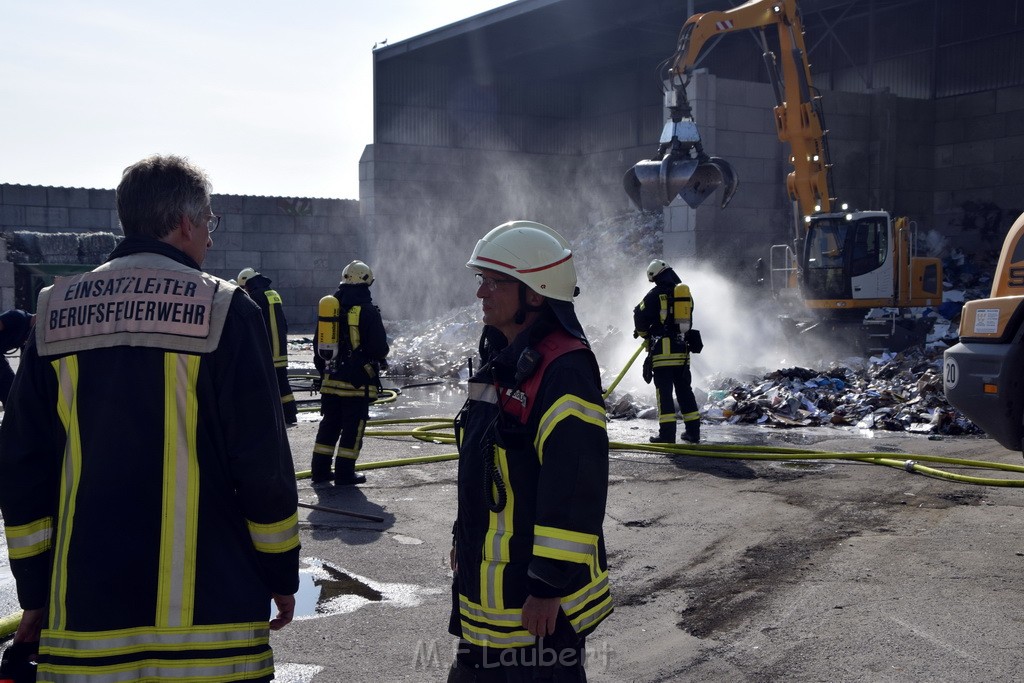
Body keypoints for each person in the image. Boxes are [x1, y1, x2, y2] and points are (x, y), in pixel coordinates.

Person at [0, 154, 300, 682]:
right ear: (184, 223)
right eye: (210, 221)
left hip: (86, 624)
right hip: (213, 631)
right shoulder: (226, 308)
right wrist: (280, 572)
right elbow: (262, 466)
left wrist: (35, 589)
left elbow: (23, 464)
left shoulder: (53, 310)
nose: (211, 236)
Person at [448, 220, 612, 680]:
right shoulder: (501, 357)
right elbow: (481, 458)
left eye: (493, 282)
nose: (481, 293)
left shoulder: (565, 369)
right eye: (480, 280)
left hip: (535, 610)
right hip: (492, 598)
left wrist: (547, 584)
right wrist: (463, 534)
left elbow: (576, 486)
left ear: (535, 295)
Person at [311, 259, 389, 486]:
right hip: (357, 382)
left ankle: (320, 471)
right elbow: (379, 348)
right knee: (353, 428)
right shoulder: (366, 311)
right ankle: (345, 473)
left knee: (329, 425)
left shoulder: (330, 308)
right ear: (366, 283)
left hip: (330, 379)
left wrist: (326, 372)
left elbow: (318, 347)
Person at [633, 259, 701, 444]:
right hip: (682, 353)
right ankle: (693, 433)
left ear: (656, 277)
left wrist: (645, 335)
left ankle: (667, 435)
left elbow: (639, 315)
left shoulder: (654, 294)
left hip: (662, 354)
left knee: (664, 394)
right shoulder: (685, 296)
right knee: (685, 392)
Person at [237, 267, 299, 425]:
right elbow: (282, 321)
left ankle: (271, 416)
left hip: (267, 347)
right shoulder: (272, 293)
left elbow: (255, 323)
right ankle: (290, 414)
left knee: (267, 382)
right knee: (282, 382)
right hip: (280, 345)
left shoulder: (256, 296)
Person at [0, 309, 34, 406]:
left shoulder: (28, 334)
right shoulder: (18, 316)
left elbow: (23, 360)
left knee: (11, 389)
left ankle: (12, 417)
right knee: (9, 386)